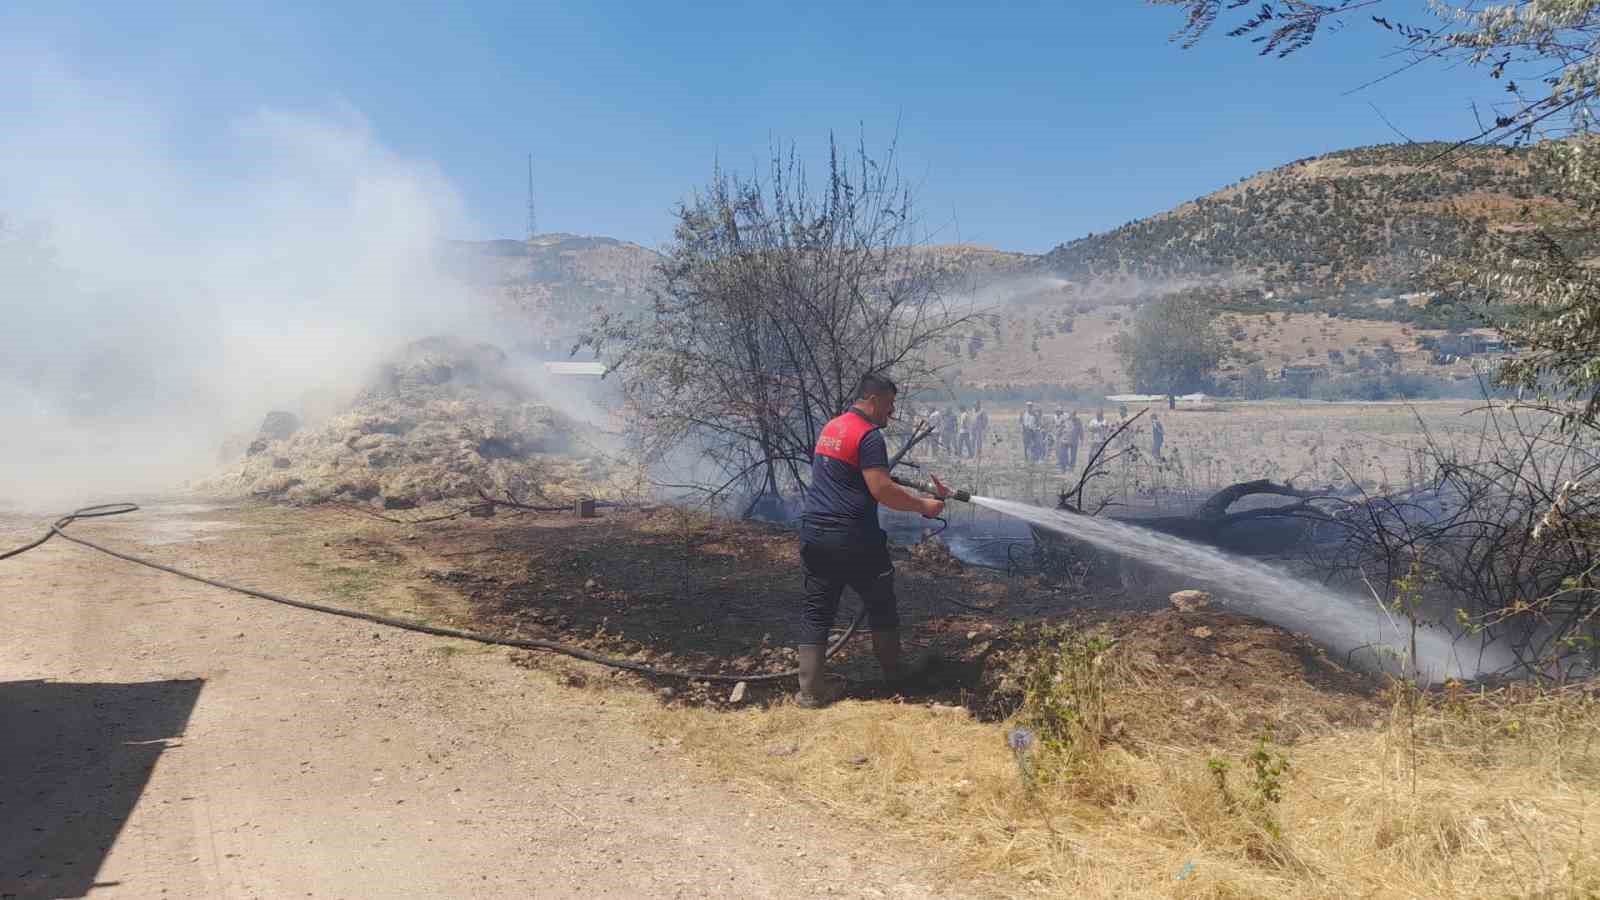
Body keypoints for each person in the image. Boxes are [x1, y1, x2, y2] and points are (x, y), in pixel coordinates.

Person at [796, 373, 947, 708]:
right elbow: (880, 488)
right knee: (881, 604)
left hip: (814, 532)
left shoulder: (833, 427)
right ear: (874, 399)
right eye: (890, 405)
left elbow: (851, 476)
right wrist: (925, 506)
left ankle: (809, 692)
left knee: (817, 610)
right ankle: (896, 677)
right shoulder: (869, 437)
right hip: (854, 537)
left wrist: (919, 489)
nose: (890, 413)